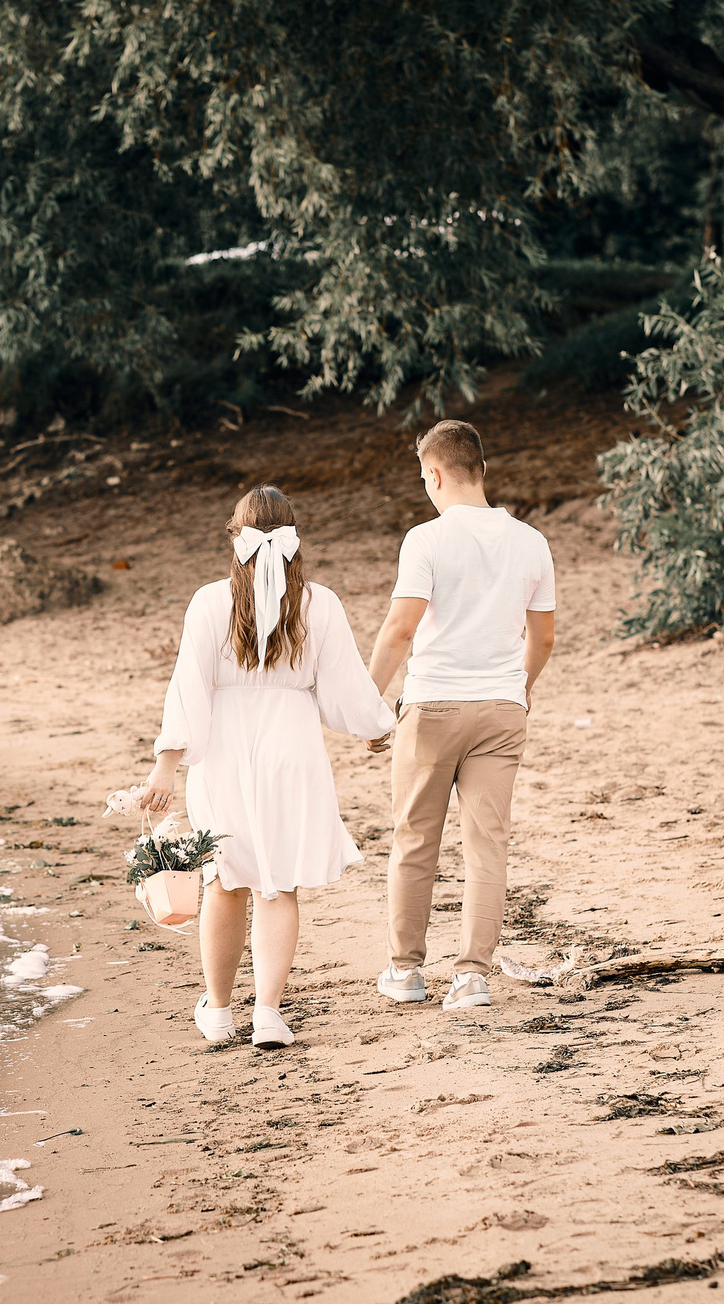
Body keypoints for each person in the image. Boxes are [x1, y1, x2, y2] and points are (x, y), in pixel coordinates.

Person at [137, 487, 396, 1048]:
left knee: (224, 881)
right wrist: (378, 726)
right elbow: (345, 686)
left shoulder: (210, 602)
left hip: (225, 750)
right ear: (295, 538)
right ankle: (269, 1014)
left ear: (237, 539)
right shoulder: (319, 603)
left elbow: (187, 690)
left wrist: (166, 766)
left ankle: (221, 1010)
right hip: (291, 748)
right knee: (278, 885)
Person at [365, 420, 556, 1010]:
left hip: (434, 706)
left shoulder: (425, 540)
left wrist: (369, 705)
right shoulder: (531, 541)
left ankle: (405, 971)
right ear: (481, 469)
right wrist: (515, 691)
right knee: (486, 846)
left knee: (415, 839)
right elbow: (543, 638)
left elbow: (401, 630)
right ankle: (472, 975)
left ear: (436, 474)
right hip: (501, 709)